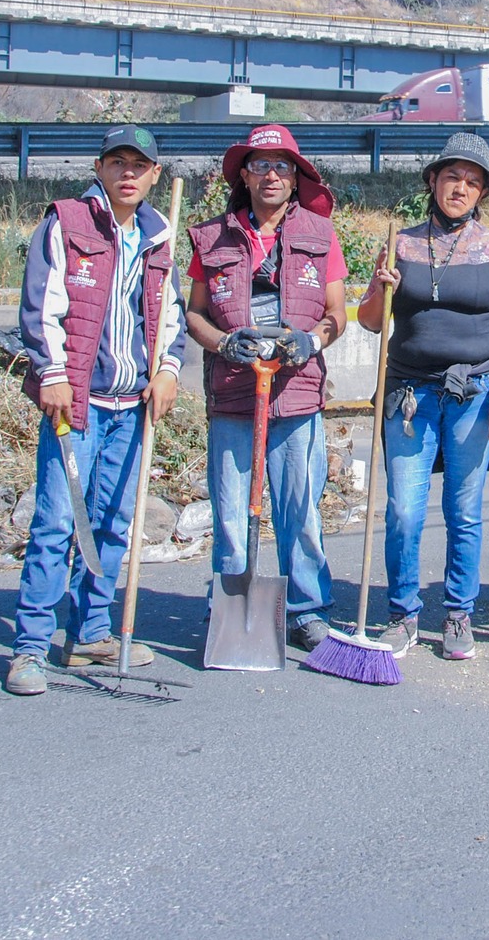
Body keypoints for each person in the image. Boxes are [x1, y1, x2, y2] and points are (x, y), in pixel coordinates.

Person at [6, 125, 185, 696]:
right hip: (77, 402)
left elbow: (170, 318)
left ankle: (91, 632)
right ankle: (31, 647)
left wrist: (168, 371)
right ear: (100, 168)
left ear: (155, 174)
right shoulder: (66, 224)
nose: (128, 173)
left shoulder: (159, 235)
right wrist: (52, 374)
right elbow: (41, 308)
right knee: (59, 522)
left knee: (110, 523)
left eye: (140, 164)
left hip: (132, 405)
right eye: (118, 162)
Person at [359, 133, 489, 661]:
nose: (461, 187)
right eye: (452, 176)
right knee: (404, 510)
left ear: (482, 192)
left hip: (474, 394)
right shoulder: (400, 243)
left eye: (473, 181)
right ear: (433, 181)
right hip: (409, 395)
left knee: (463, 507)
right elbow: (370, 321)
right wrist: (378, 288)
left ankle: (459, 612)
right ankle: (402, 615)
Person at [185, 124, 349, 655]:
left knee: (299, 511)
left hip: (297, 396)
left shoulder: (321, 235)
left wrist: (310, 341)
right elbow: (194, 314)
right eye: (261, 165)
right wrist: (223, 344)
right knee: (233, 511)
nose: (272, 175)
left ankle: (305, 609)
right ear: (245, 176)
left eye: (283, 166)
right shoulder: (211, 238)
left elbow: (336, 314)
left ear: (298, 177)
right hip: (234, 396)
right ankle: (231, 606)